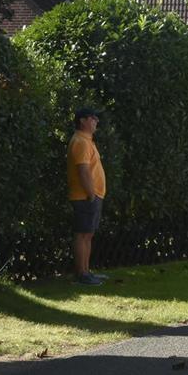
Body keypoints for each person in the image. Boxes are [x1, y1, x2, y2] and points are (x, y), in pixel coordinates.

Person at [67, 107, 107, 286]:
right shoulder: (80, 142)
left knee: (88, 234)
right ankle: (81, 274)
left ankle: (86, 271)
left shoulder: (87, 141)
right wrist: (91, 193)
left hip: (92, 196)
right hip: (85, 196)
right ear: (82, 120)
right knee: (82, 234)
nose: (96, 121)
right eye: (93, 118)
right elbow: (83, 170)